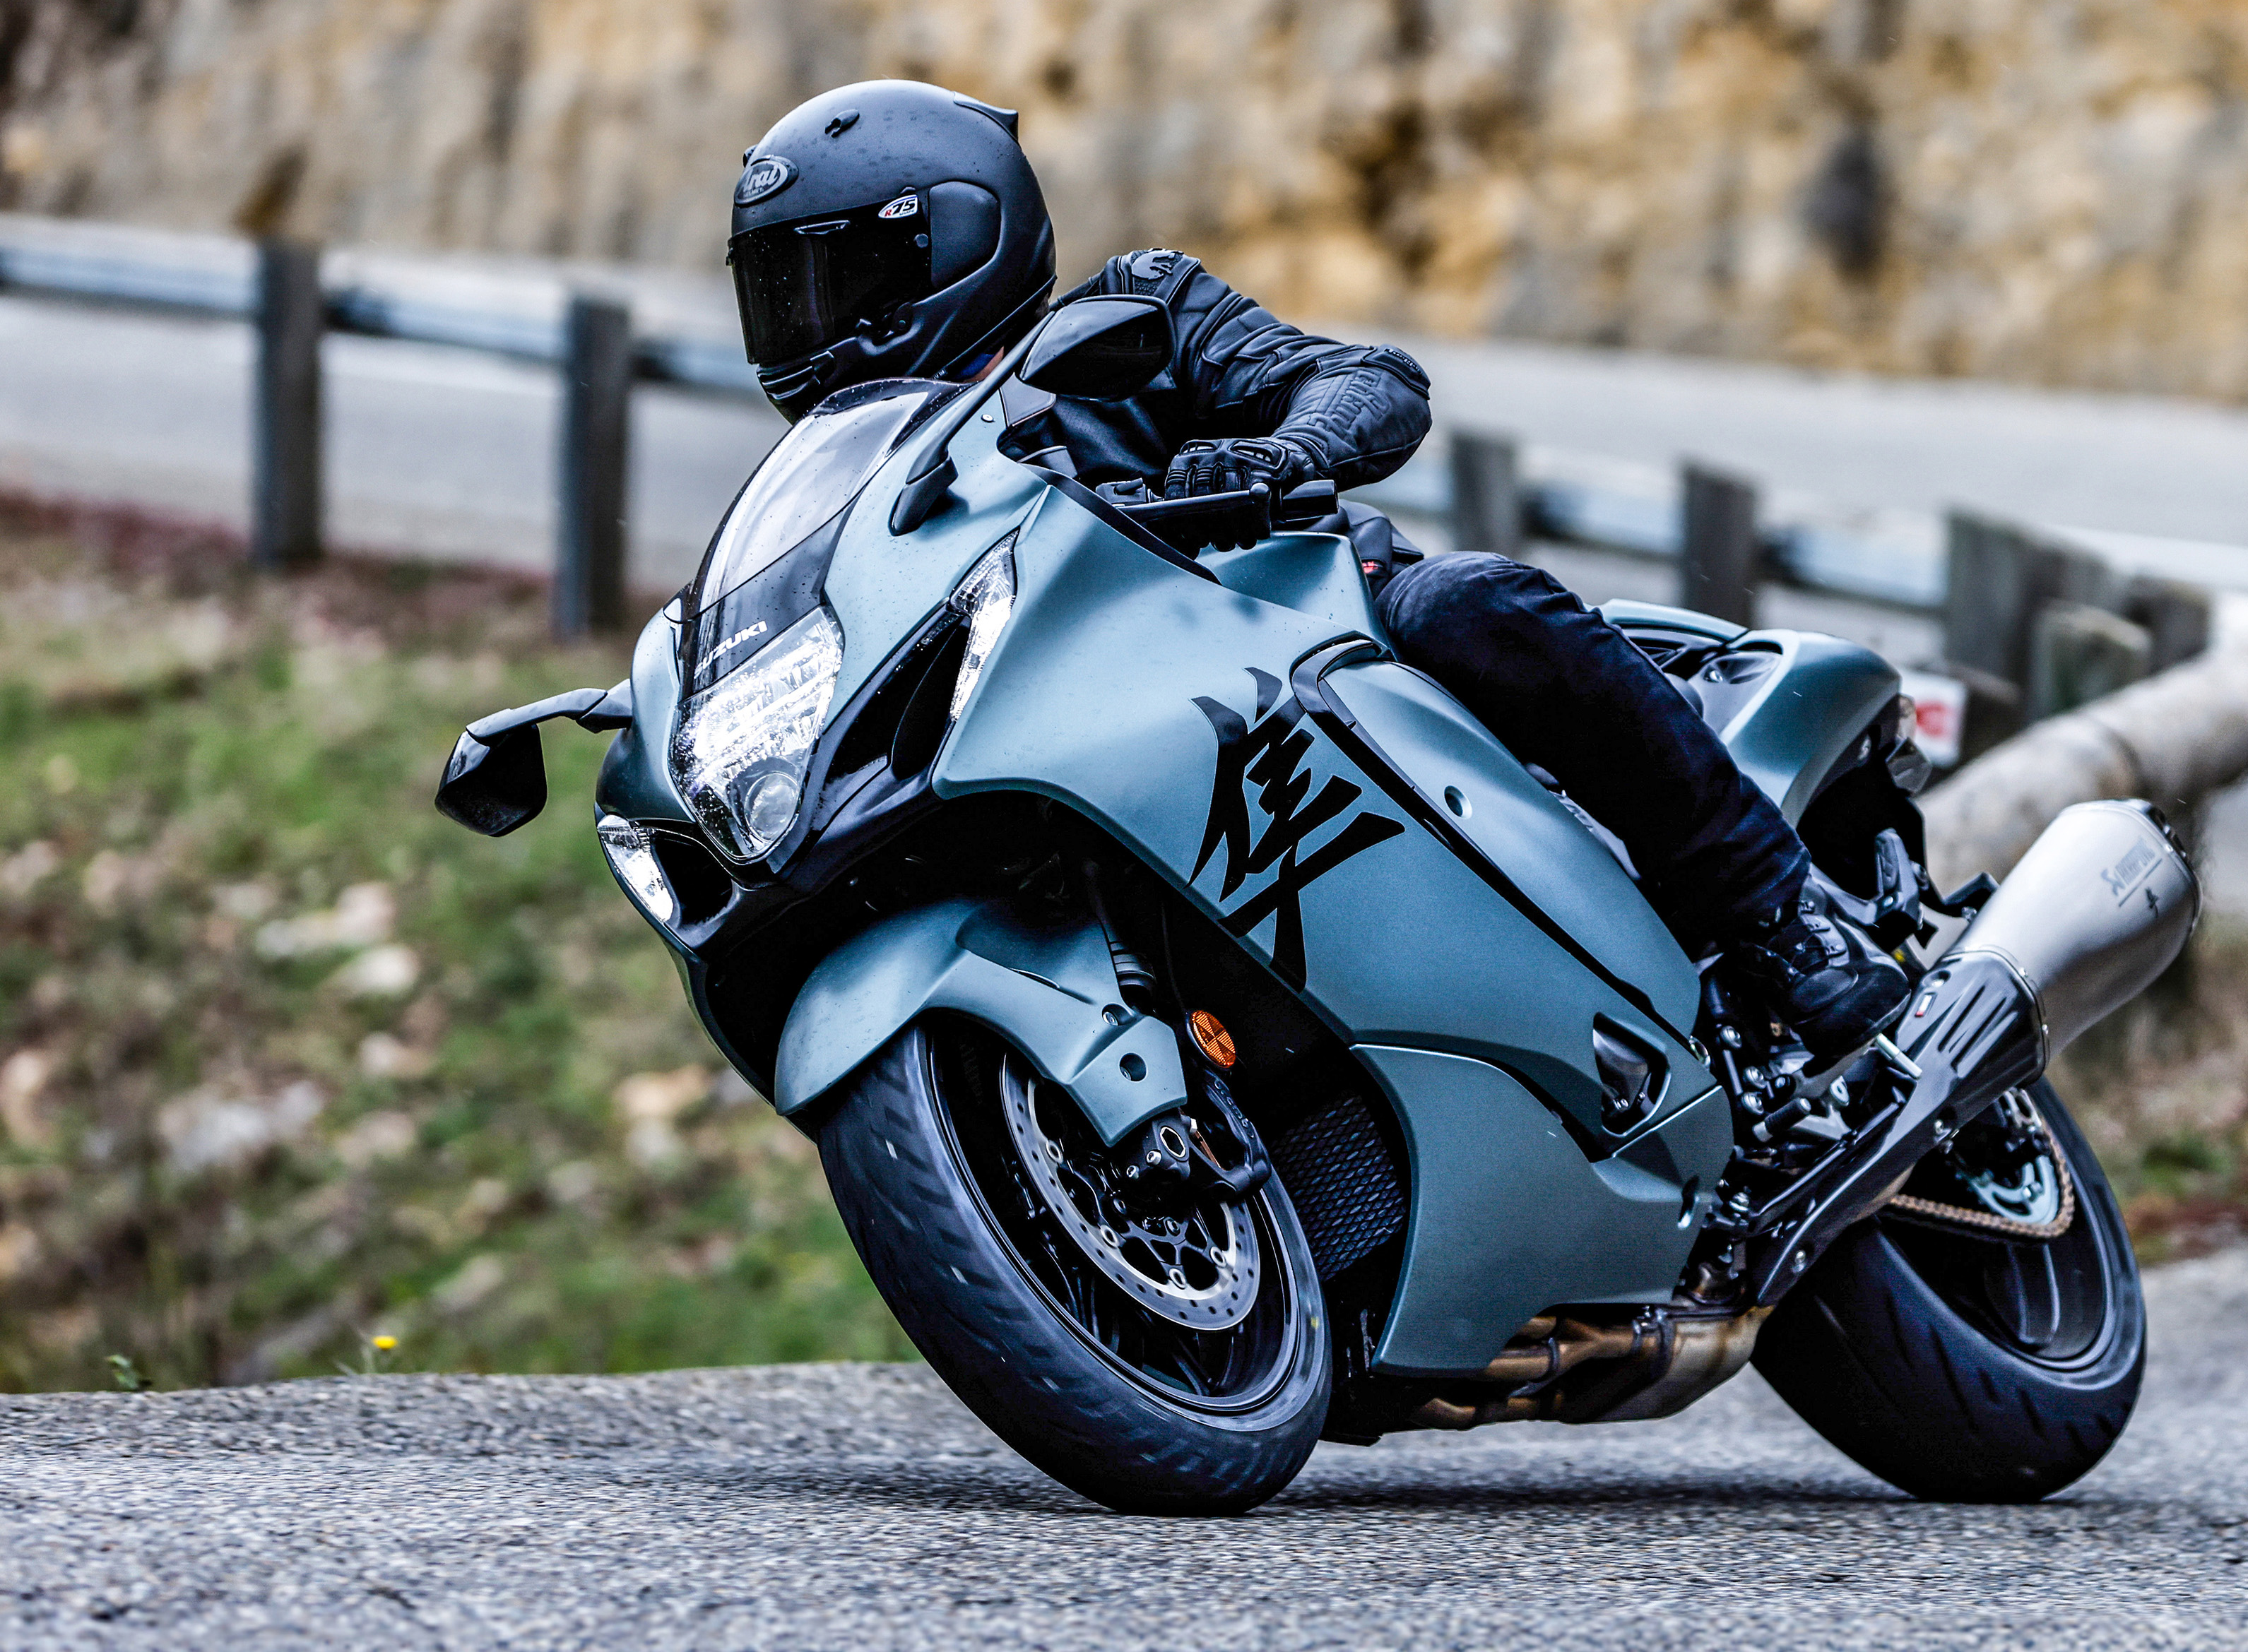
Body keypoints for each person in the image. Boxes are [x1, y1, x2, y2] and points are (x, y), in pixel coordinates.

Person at [722, 77, 1907, 1057]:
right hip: (1091, 741)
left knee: (1468, 605)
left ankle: (1781, 915)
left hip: (1314, 645)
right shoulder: (857, 496)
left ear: (956, 236)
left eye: (838, 280)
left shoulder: (1128, 318)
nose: (808, 323)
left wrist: (1280, 453)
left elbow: (1369, 379)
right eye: (779, 291)